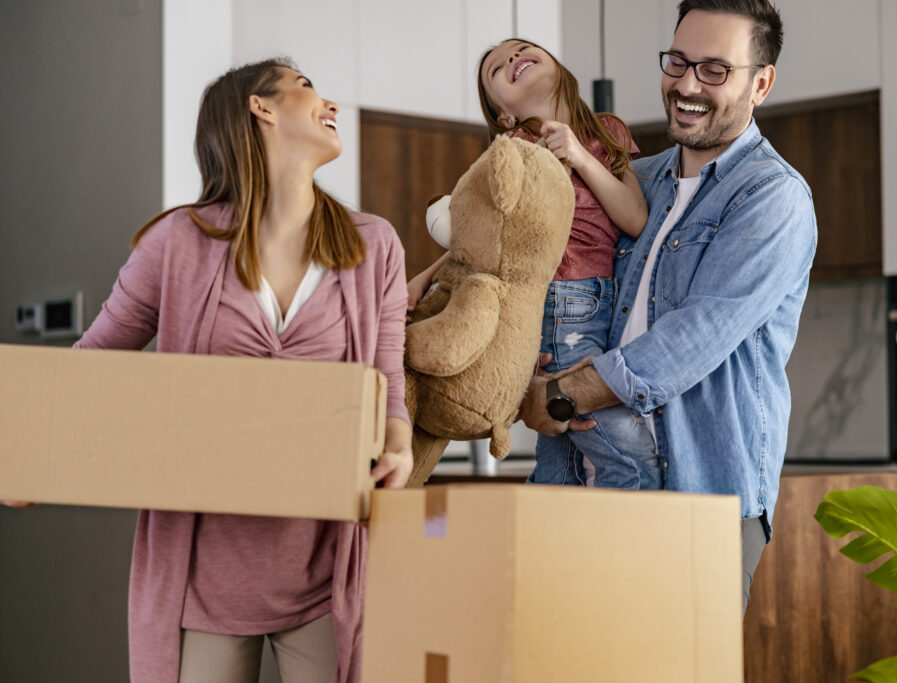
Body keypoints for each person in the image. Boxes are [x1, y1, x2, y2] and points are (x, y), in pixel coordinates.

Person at [5, 59, 413, 683]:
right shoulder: (175, 244)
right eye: (307, 88)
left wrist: (398, 447)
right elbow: (89, 367)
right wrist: (30, 453)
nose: (328, 102)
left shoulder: (372, 244)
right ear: (262, 108)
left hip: (325, 565)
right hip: (203, 572)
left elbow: (389, 381)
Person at [520, 0, 817, 614]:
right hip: (582, 476)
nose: (685, 85)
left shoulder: (773, 198)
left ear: (760, 83)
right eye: (678, 61)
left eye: (714, 70)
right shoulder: (633, 178)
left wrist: (558, 394)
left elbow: (690, 340)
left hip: (699, 493)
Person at [407, 38, 659, 489]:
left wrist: (578, 153)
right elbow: (485, 239)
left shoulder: (608, 131)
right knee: (630, 455)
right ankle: (641, 547)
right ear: (500, 110)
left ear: (558, 65)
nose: (512, 59)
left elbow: (636, 218)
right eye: (496, 69)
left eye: (521, 49)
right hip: (559, 303)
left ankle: (544, 550)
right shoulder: (513, 150)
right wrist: (425, 279)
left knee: (560, 459)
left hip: (603, 306)